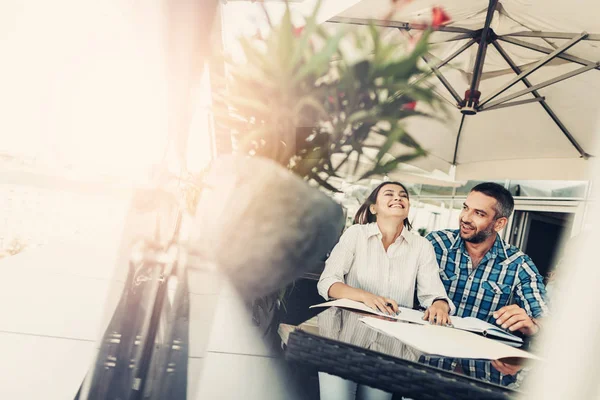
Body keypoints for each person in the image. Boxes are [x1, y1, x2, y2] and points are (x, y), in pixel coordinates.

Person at [317, 181, 455, 400]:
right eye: (389, 194)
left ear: (408, 207)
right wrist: (366, 297)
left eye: (403, 195)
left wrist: (439, 304)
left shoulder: (421, 247)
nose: (398, 198)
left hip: (390, 349)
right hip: (343, 340)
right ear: (374, 208)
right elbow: (328, 283)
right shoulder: (356, 235)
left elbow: (433, 294)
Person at [425, 182, 549, 385]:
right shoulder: (435, 244)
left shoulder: (519, 265)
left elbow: (547, 324)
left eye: (478, 213)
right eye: (465, 208)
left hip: (483, 381)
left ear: (499, 223)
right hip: (424, 371)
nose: (465, 217)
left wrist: (532, 326)